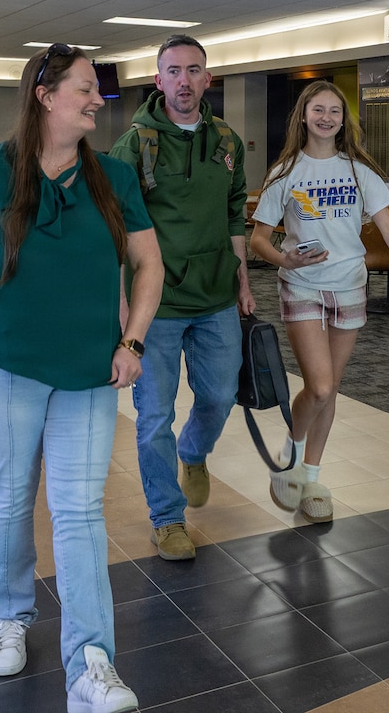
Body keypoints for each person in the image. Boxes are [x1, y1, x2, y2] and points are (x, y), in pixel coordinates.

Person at [0, 44, 164, 713]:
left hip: (88, 372)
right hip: (4, 364)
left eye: (98, 91)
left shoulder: (112, 178)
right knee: (11, 497)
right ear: (45, 95)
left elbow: (148, 267)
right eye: (84, 88)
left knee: (79, 512)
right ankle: (10, 617)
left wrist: (132, 339)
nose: (96, 100)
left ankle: (91, 663)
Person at [250, 80, 389, 523]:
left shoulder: (358, 170)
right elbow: (258, 239)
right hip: (303, 284)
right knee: (320, 385)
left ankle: (311, 479)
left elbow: (388, 227)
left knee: (329, 392)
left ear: (344, 120)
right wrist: (283, 259)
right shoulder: (285, 172)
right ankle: (288, 455)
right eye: (318, 110)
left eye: (335, 111)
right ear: (304, 117)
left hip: (350, 286)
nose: (326, 118)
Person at [108, 35, 255, 561]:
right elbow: (115, 227)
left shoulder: (227, 142)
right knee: (153, 416)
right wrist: (124, 309)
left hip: (216, 297)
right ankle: (167, 518)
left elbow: (234, 212)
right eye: (173, 71)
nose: (184, 81)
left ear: (207, 79)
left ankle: (193, 453)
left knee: (218, 396)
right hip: (158, 307)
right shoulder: (135, 144)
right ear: (158, 79)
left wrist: (242, 281)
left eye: (194, 71)